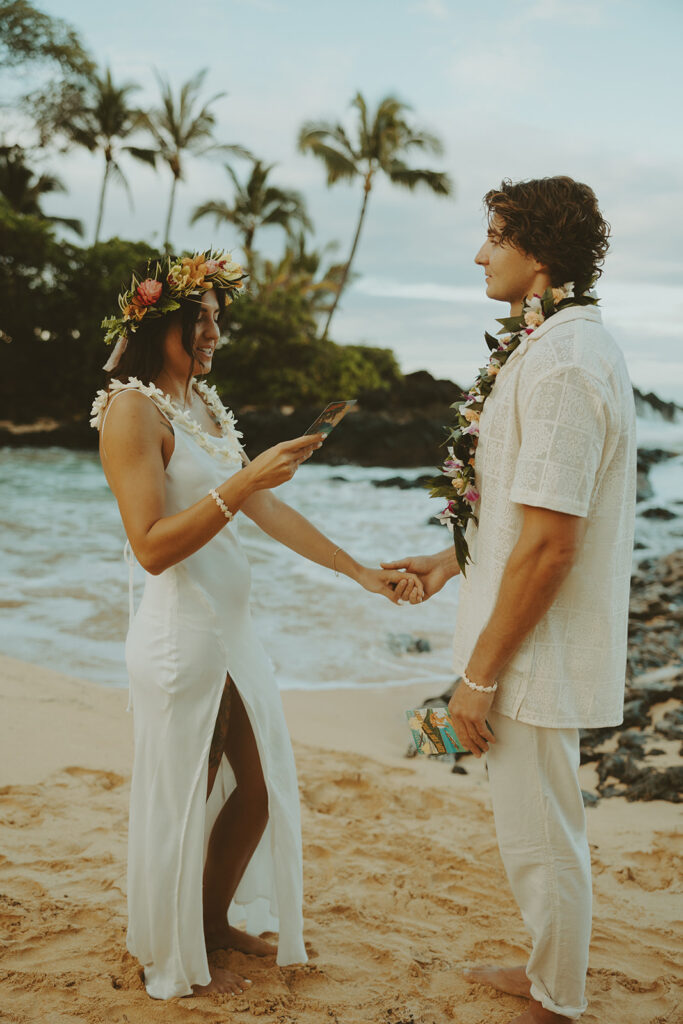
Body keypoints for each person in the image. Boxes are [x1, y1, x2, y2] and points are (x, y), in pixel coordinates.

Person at [90, 250, 423, 1000]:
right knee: (186, 796)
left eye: (216, 321)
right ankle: (173, 953)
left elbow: (263, 510)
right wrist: (244, 479)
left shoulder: (203, 407)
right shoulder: (131, 411)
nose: (212, 335)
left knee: (261, 788)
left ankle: (208, 924)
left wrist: (358, 572)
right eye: (199, 321)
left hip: (232, 634)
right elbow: (149, 547)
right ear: (158, 322)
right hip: (181, 637)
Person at [385, 177, 636, 1022]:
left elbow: (552, 543)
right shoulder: (548, 345)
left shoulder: (565, 362)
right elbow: (515, 511)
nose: (479, 251)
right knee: (529, 824)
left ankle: (555, 998)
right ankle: (546, 972)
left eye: (495, 236)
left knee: (541, 830)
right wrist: (446, 560)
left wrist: (479, 677)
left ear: (539, 255)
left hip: (531, 646)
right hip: (516, 630)